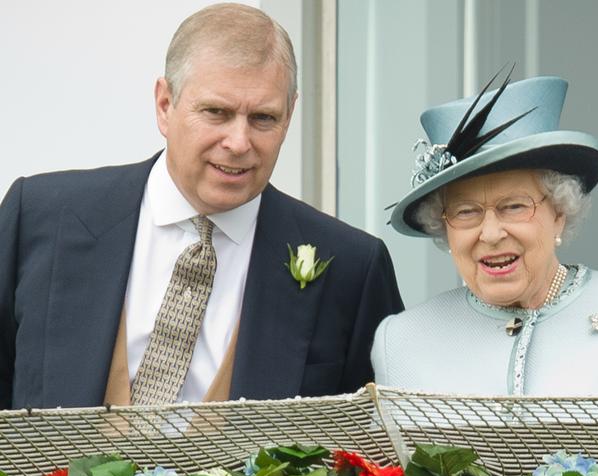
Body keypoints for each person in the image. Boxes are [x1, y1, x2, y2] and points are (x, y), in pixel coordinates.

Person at [0, 3, 403, 409]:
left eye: (263, 118)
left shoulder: (353, 269)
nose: (239, 142)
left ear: (290, 114)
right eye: (216, 112)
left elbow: (373, 451)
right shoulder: (38, 217)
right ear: (164, 104)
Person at [371, 71, 598, 396]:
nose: (490, 234)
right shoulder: (401, 341)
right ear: (444, 227)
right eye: (466, 211)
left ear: (559, 213)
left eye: (515, 206)